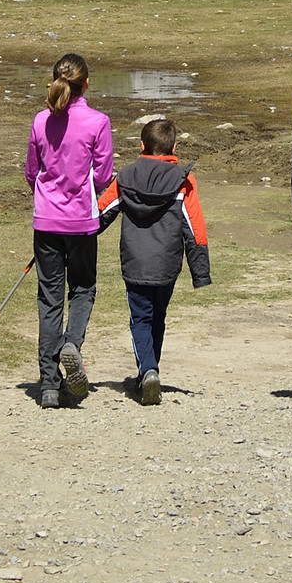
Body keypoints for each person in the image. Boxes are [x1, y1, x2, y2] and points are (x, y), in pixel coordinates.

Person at [25, 50, 114, 410]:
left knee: (49, 299)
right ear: (86, 83)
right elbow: (104, 176)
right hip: (81, 222)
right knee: (83, 289)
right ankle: (71, 344)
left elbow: (32, 173)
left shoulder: (40, 120)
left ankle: (49, 384)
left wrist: (49, 194)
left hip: (46, 221)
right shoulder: (97, 121)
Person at [116, 115, 211, 403]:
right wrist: (200, 273)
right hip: (168, 265)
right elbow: (195, 228)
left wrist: (72, 236)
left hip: (135, 264)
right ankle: (150, 371)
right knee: (158, 317)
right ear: (174, 147)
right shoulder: (184, 181)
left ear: (142, 144)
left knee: (140, 319)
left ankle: (148, 371)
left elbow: (100, 212)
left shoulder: (124, 177)